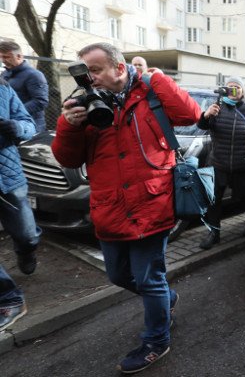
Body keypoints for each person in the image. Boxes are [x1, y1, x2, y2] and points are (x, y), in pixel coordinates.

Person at [52, 42, 200, 374]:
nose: (90, 78)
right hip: (110, 208)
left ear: (119, 68)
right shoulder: (86, 105)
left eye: (95, 70)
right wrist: (69, 125)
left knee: (149, 278)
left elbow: (191, 115)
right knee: (118, 274)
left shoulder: (149, 90)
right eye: (85, 72)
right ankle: (166, 300)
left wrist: (158, 80)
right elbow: (68, 158)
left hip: (152, 204)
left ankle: (156, 341)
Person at [196, 76, 245, 250]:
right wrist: (206, 115)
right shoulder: (217, 108)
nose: (233, 90)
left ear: (242, 90)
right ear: (224, 90)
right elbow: (202, 125)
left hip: (243, 164)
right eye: (229, 87)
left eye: (236, 87)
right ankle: (214, 233)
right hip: (219, 163)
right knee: (214, 200)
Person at [0, 77, 39, 277]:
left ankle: (26, 251)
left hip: (8, 174)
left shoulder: (3, 89)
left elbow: (29, 124)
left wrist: (17, 127)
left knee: (27, 235)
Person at [0, 40, 49, 134]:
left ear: (19, 56)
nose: (3, 60)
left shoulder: (34, 75)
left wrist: (13, 112)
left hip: (31, 127)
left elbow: (40, 102)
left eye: (6, 57)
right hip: (10, 126)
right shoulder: (4, 74)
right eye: (1, 57)